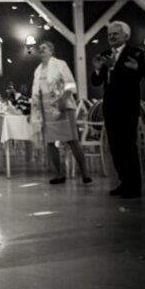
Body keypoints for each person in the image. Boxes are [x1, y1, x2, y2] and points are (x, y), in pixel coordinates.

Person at [90, 21, 145, 199]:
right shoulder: (105, 54)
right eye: (109, 34)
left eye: (115, 34)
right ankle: (123, 182)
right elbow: (96, 82)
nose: (111, 37)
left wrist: (113, 67)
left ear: (126, 36)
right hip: (110, 107)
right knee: (115, 147)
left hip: (128, 106)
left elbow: (136, 76)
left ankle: (135, 185)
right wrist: (98, 68)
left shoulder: (135, 53)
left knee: (128, 146)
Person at [30, 41, 91, 185]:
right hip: (46, 110)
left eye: (44, 48)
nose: (41, 50)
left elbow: (70, 83)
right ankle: (59, 174)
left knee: (72, 140)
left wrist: (63, 100)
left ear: (51, 51)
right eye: (40, 49)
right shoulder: (38, 70)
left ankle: (85, 173)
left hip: (62, 107)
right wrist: (35, 110)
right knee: (50, 143)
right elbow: (36, 91)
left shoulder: (60, 64)